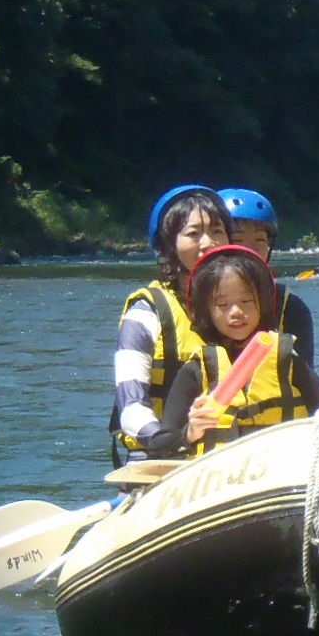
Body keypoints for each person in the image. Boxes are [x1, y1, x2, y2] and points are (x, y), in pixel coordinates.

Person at [158, 245, 319, 455]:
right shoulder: (196, 370)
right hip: (225, 471)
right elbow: (161, 443)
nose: (236, 312)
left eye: (246, 301)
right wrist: (190, 432)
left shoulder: (287, 361)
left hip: (284, 464)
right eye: (222, 304)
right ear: (207, 311)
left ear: (263, 303)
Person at [110, 184, 229, 461]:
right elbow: (131, 408)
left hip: (227, 458)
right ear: (168, 245)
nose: (208, 243)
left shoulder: (242, 308)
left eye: (217, 231)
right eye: (193, 233)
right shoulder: (145, 313)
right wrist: (176, 438)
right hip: (160, 460)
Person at [218, 187, 318, 365]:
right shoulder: (196, 302)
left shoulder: (291, 308)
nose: (250, 250)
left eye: (259, 240)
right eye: (238, 240)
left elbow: (305, 374)